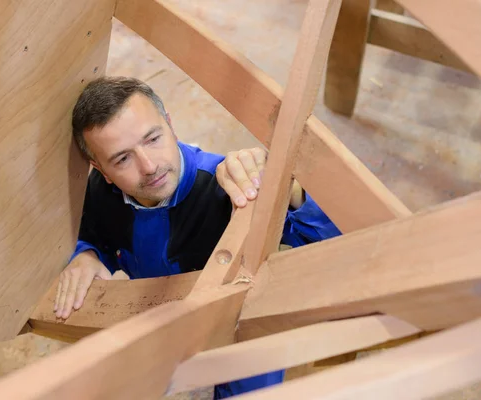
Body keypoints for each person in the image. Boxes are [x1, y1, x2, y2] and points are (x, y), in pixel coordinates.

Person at [53, 76, 341, 398]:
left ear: (171, 126)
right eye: (122, 158)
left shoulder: (229, 190)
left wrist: (290, 189)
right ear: (101, 169)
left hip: (240, 324)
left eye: (153, 139)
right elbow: (96, 234)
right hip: (160, 318)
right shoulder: (102, 192)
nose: (148, 166)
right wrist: (86, 254)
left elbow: (335, 242)